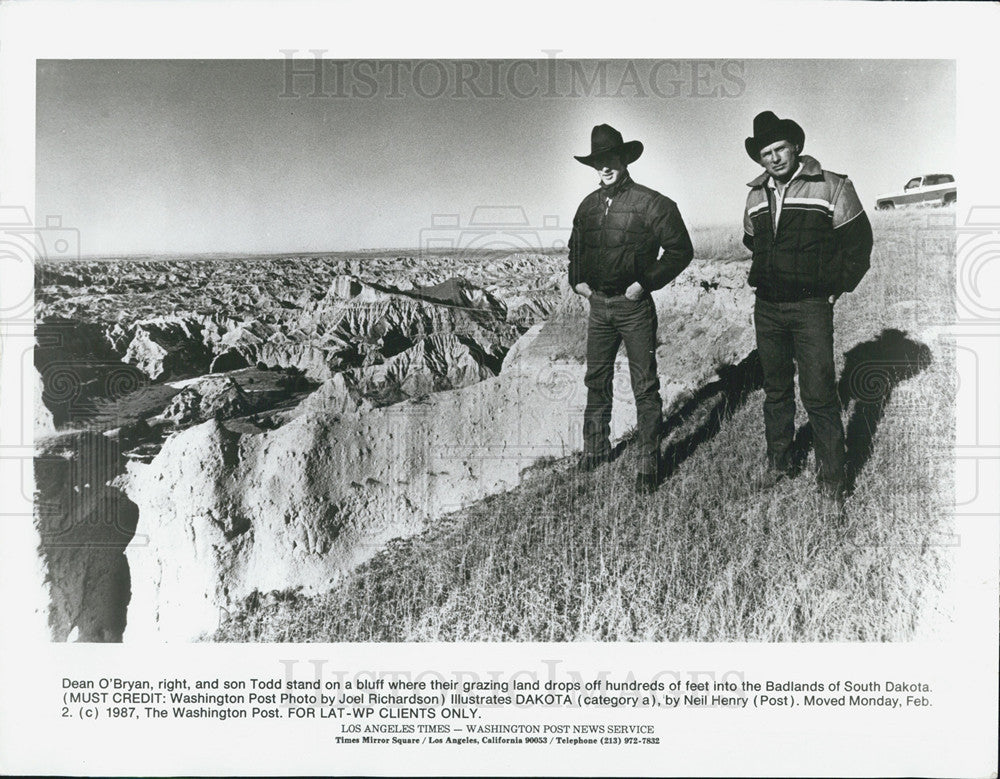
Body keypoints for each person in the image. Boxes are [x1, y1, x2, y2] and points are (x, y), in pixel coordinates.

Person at [741, 110, 873, 503]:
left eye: (780, 148)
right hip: (767, 308)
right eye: (766, 152)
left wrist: (835, 288)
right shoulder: (753, 195)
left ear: (796, 146)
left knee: (818, 393)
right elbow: (753, 242)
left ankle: (832, 479)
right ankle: (779, 464)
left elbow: (859, 246)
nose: (774, 158)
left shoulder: (832, 185)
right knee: (776, 390)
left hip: (810, 307)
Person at [568, 123, 693, 494]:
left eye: (610, 159)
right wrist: (578, 284)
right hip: (598, 307)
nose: (604, 167)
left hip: (634, 306)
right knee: (596, 381)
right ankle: (595, 450)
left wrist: (645, 284)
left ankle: (649, 463)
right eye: (598, 162)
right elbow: (575, 249)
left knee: (644, 384)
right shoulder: (588, 205)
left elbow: (680, 251)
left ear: (623, 159)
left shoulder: (652, 203)